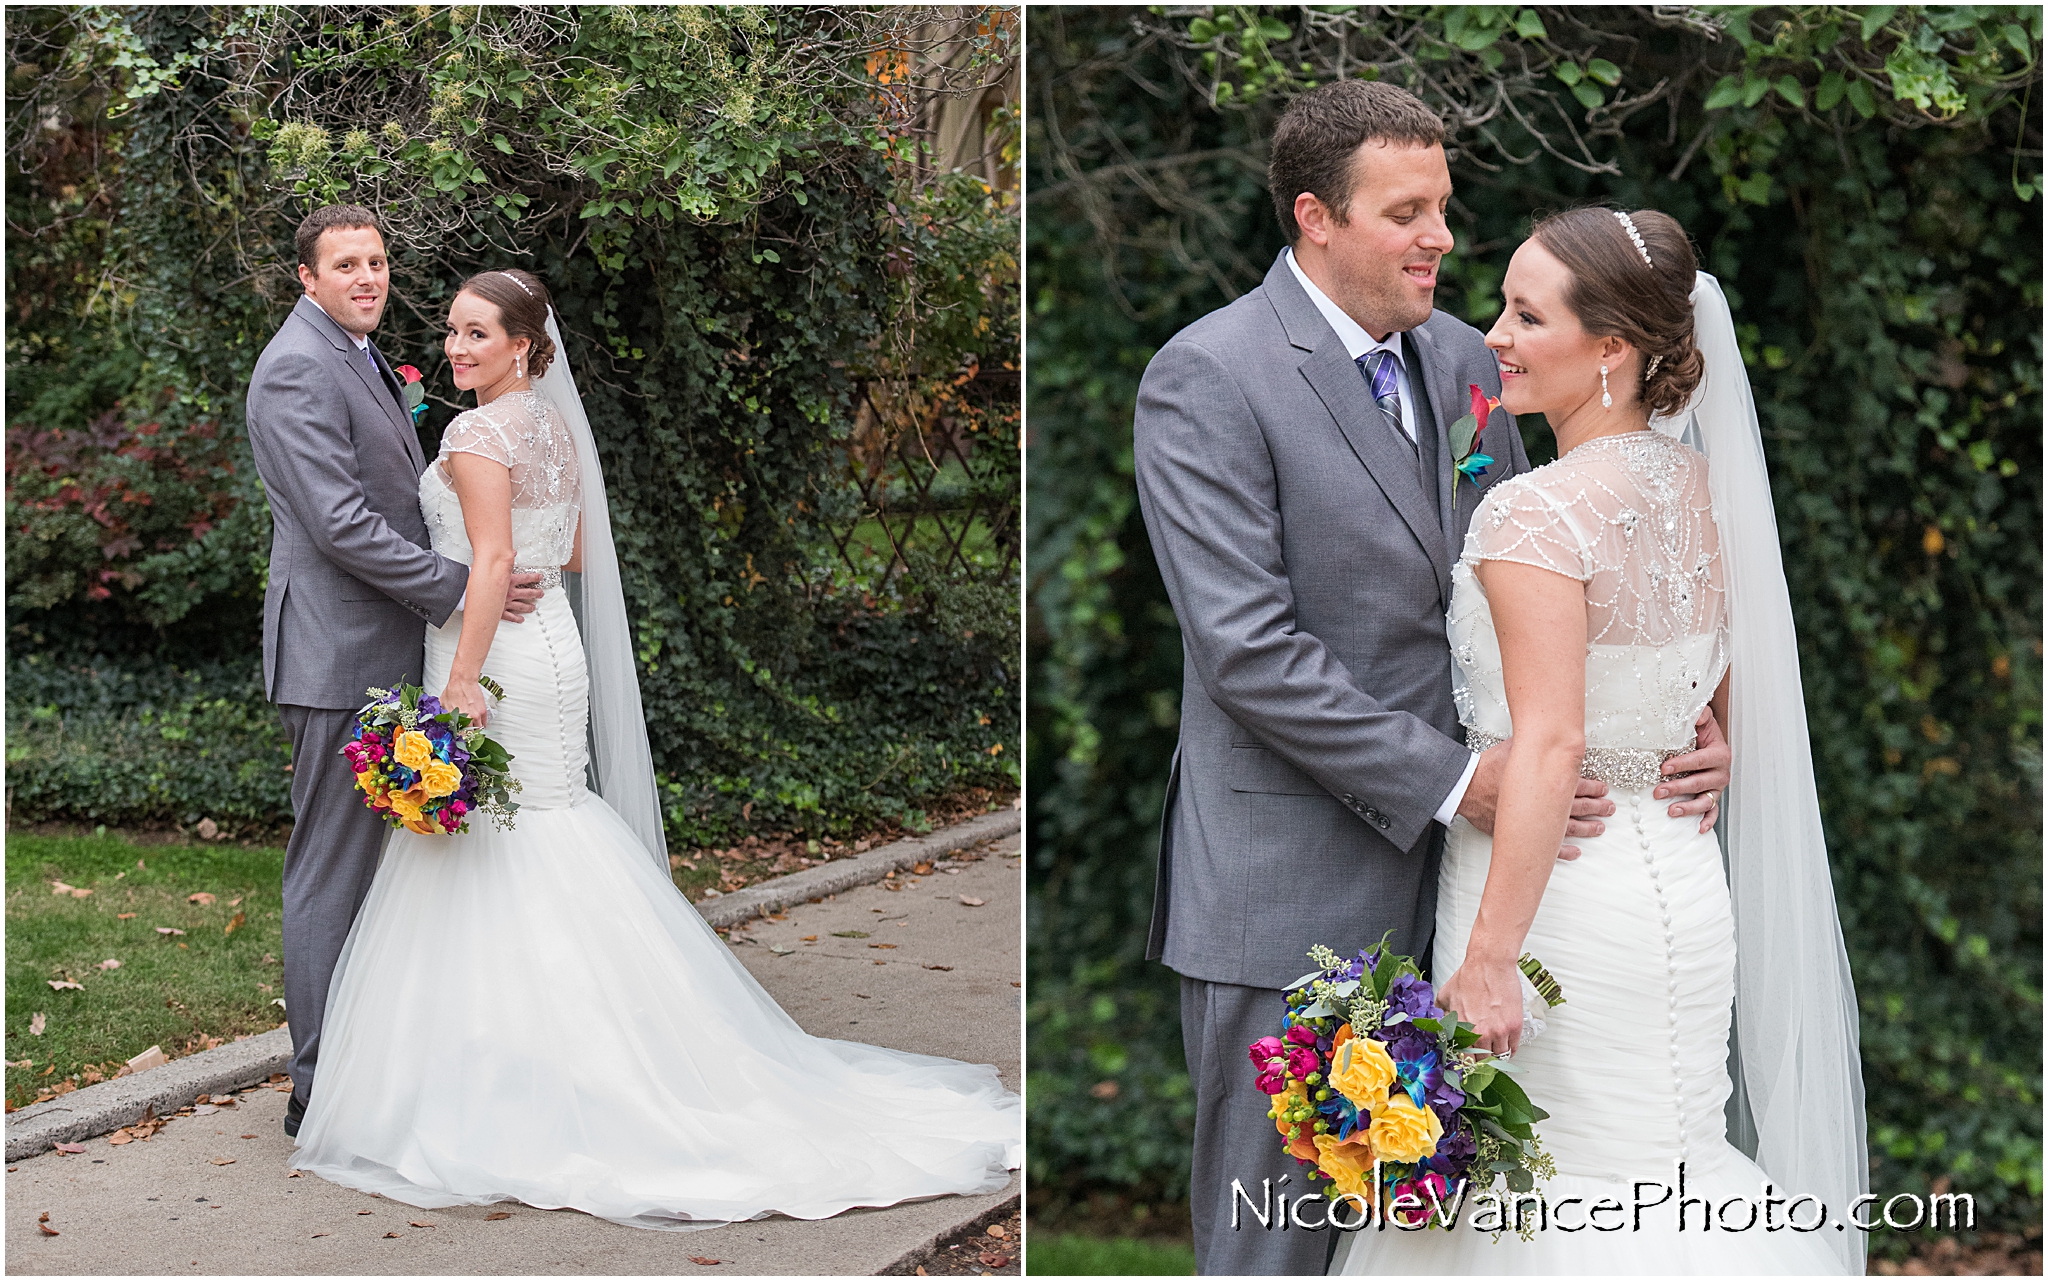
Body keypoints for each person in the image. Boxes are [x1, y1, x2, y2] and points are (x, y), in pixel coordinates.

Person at [1130, 82, 1730, 1276]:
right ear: (1314, 215)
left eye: (1444, 207)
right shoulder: (1209, 375)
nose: (1440, 237)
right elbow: (1246, 650)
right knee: (1279, 1244)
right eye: (1406, 212)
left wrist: (1684, 725)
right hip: (1293, 891)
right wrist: (1469, 783)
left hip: (1493, 894)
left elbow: (1571, 592)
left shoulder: (1473, 362)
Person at [287, 267, 1020, 1229]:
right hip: (552, 644)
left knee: (502, 846)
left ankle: (519, 1088)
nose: (457, 349)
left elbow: (495, 562)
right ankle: (598, 1057)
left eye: (475, 335)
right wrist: (505, 575)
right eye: (453, 333)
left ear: (521, 346)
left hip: (491, 654)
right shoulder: (549, 427)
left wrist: (461, 679)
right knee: (550, 826)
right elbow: (576, 555)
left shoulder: (472, 432)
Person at [1330, 209, 1866, 1274]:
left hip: (1555, 904)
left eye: (1527, 316)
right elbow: (1725, 682)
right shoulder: (1707, 494)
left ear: (1612, 348)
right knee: (1665, 1168)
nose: (1494, 335)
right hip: (1676, 875)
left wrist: (1485, 963)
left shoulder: (1533, 515)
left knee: (1558, 1198)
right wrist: (1712, 737)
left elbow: (1551, 742)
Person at [244, 205, 543, 1139]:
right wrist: (460, 587)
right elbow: (339, 524)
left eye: (376, 262)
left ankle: (372, 1064)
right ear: (308, 278)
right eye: (345, 265)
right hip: (336, 654)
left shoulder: (356, 354)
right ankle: (317, 1084)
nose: (367, 278)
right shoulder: (297, 366)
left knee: (388, 876)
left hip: (379, 646)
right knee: (332, 871)